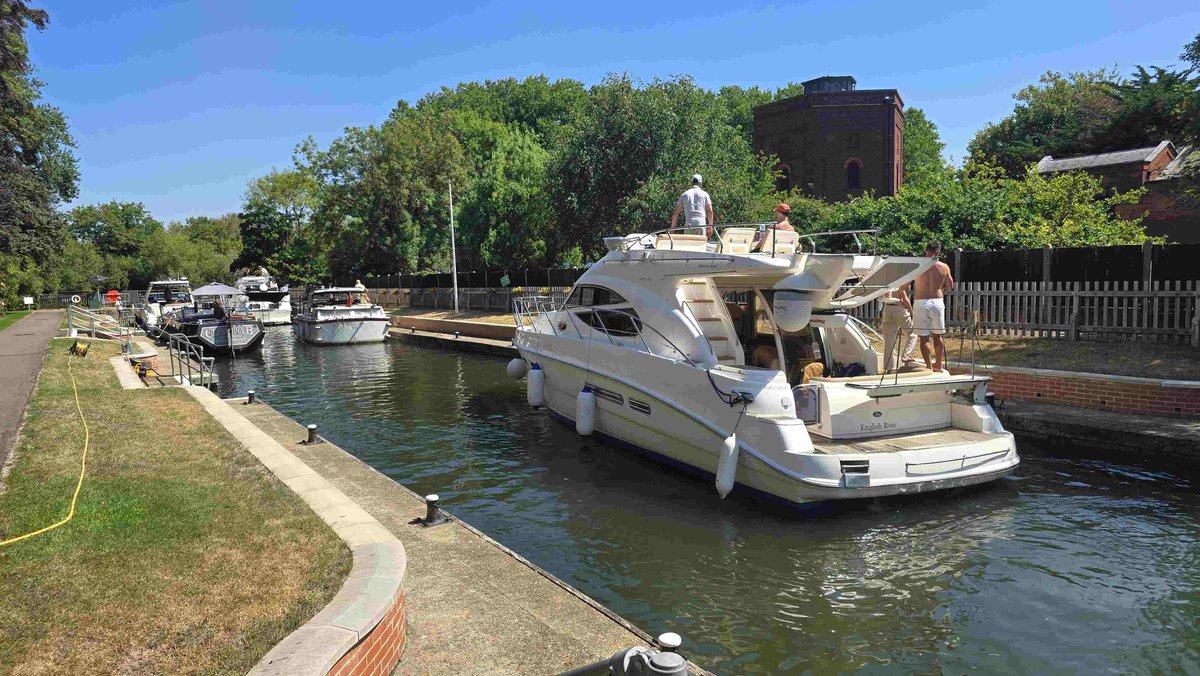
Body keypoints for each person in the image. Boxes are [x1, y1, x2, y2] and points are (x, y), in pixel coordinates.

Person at [913, 241, 954, 372]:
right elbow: (950, 285)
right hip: (937, 301)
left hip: (921, 301)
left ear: (926, 250)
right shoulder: (944, 266)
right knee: (937, 335)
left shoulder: (918, 265)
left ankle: (929, 366)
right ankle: (939, 364)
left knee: (924, 337)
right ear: (938, 252)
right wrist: (939, 286)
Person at [880, 287, 918, 371]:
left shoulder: (887, 281)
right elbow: (904, 298)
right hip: (899, 307)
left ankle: (888, 368)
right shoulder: (901, 281)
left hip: (887, 308)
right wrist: (911, 312)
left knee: (888, 341)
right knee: (912, 334)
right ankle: (906, 355)